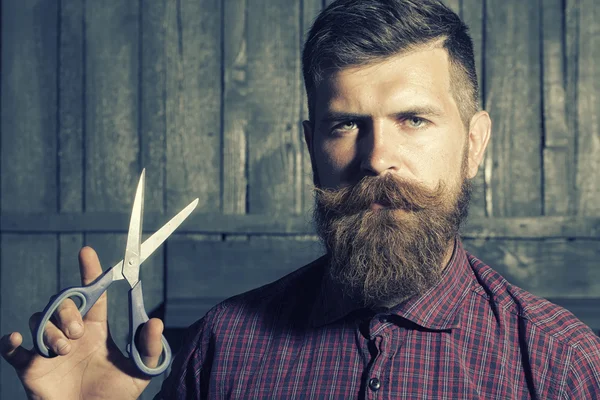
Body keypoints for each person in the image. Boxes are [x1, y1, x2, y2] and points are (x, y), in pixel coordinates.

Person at [2, 0, 600, 398]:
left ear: (473, 144)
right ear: (310, 144)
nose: (375, 157)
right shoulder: (221, 349)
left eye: (414, 119)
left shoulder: (563, 366)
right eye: (345, 125)